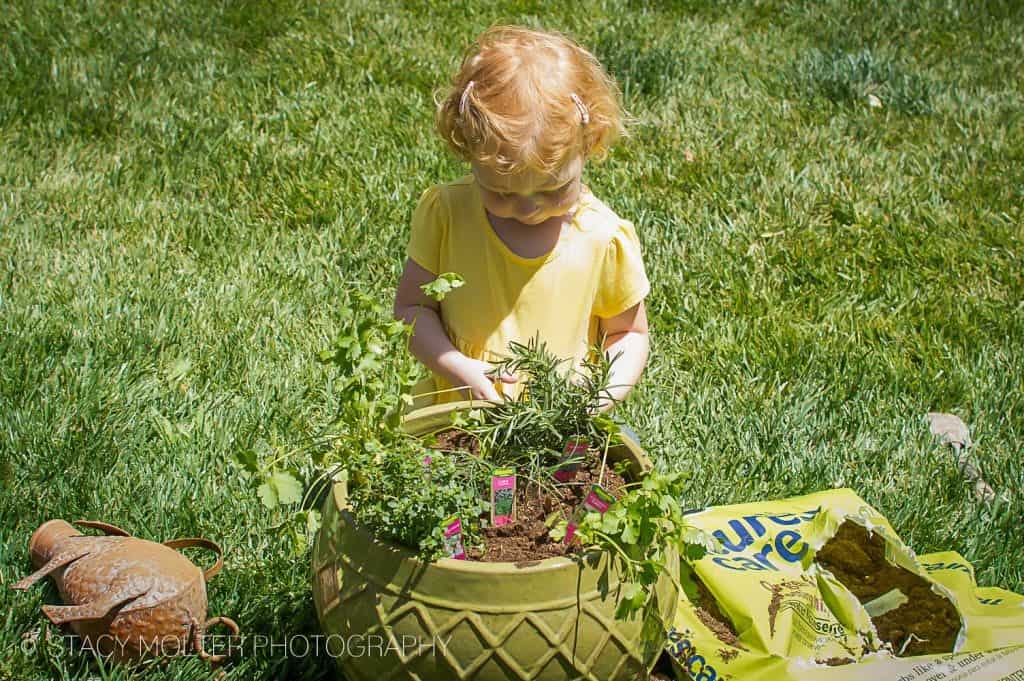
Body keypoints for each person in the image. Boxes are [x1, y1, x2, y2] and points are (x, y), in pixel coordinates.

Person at [393, 25, 650, 409]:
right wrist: (458, 367)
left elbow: (629, 334)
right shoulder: (447, 214)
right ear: (468, 152)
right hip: (458, 414)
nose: (529, 209)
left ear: (590, 141)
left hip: (557, 424)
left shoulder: (601, 238)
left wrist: (596, 399)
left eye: (551, 190)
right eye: (502, 192)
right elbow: (412, 309)